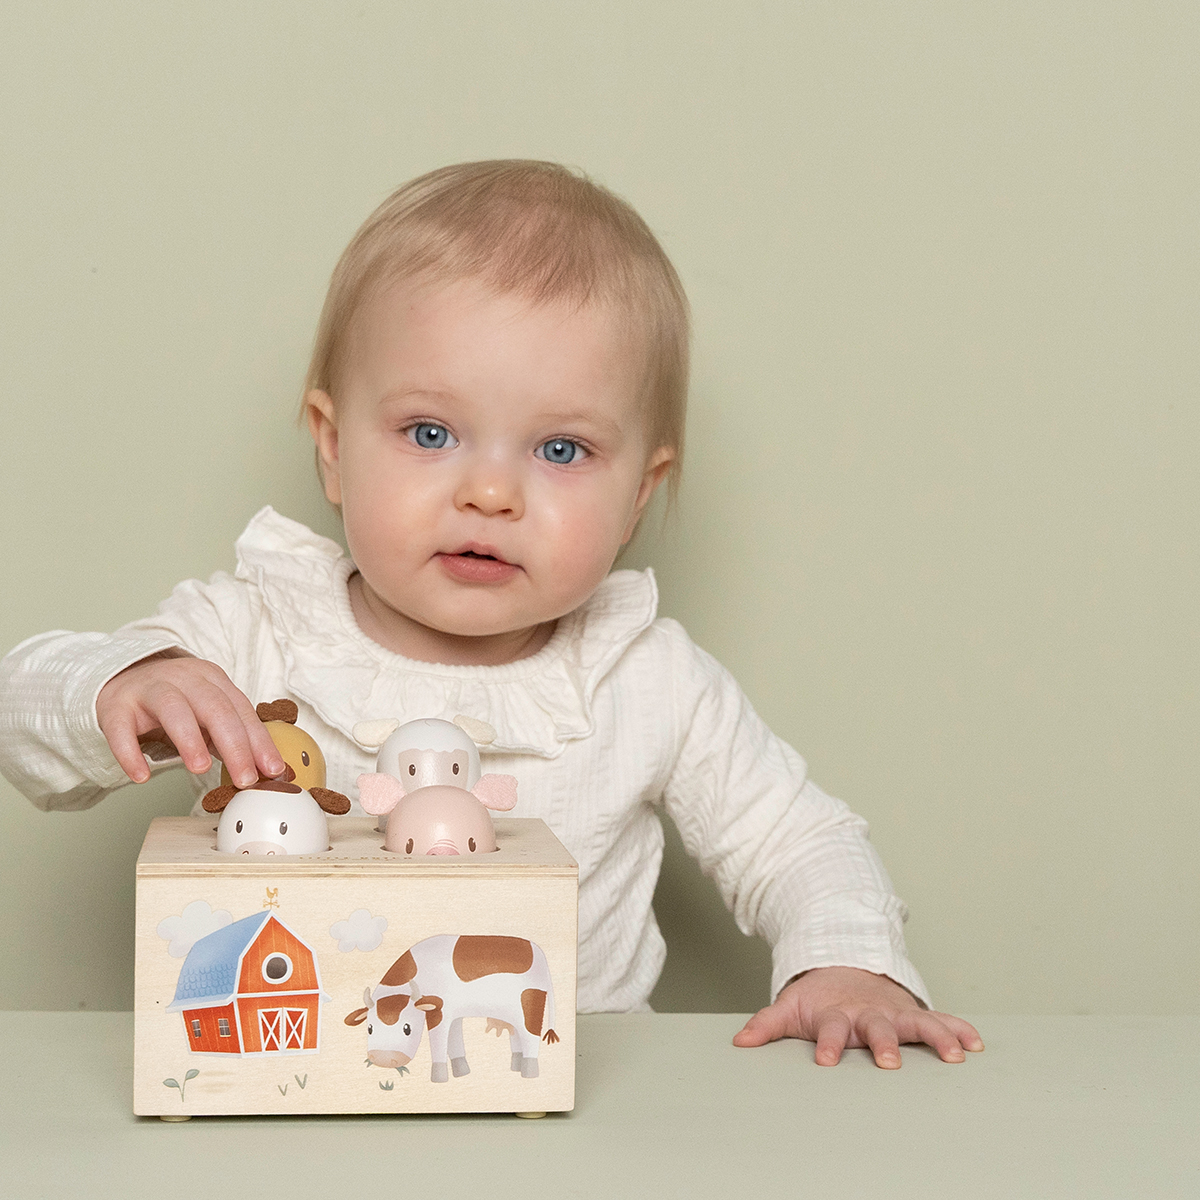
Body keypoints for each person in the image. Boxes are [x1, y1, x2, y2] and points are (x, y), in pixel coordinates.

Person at [0, 160, 981, 1068]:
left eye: (561, 451)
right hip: (303, 1087)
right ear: (334, 448)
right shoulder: (256, 630)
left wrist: (847, 964)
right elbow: (22, 717)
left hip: (569, 1099)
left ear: (641, 493)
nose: (491, 494)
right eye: (431, 433)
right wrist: (127, 685)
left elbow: (797, 842)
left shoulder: (643, 676)